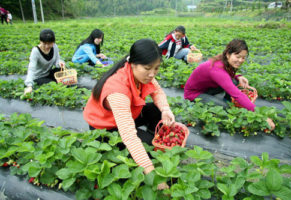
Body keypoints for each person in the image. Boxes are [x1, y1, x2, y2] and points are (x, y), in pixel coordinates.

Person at [83, 39, 175, 190]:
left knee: (156, 111)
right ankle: (151, 145)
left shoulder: (142, 74)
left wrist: (165, 109)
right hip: (105, 127)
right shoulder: (117, 89)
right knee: (148, 147)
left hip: (129, 113)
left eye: (156, 68)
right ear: (133, 63)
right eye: (148, 68)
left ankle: (155, 139)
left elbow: (157, 90)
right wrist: (152, 173)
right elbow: (129, 136)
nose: (152, 74)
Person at [184, 39, 275, 130]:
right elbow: (238, 94)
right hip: (194, 93)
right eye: (238, 56)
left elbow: (227, 75)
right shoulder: (217, 68)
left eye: (243, 57)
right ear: (228, 54)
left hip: (207, 88)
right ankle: (220, 104)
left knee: (234, 82)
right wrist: (262, 116)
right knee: (224, 107)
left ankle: (226, 101)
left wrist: (238, 76)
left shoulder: (224, 61)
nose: (240, 60)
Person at [24, 29, 65, 95]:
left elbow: (57, 60)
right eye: (44, 43)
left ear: (53, 42)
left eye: (49, 44)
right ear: (40, 41)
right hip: (38, 77)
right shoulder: (35, 51)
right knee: (54, 84)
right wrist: (29, 86)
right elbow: (31, 69)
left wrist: (60, 63)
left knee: (62, 70)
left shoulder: (55, 47)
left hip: (48, 73)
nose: (46, 46)